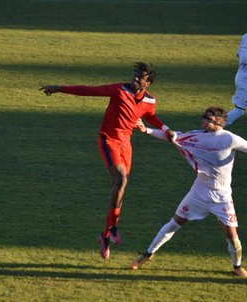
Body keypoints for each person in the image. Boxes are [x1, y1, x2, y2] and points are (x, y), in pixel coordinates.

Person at [40, 62, 175, 260]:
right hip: (108, 140)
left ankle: (104, 235)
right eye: (135, 75)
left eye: (140, 77)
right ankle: (113, 227)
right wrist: (60, 89)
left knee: (119, 186)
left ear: (148, 83)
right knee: (121, 179)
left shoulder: (150, 100)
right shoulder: (119, 90)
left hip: (125, 144)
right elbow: (89, 91)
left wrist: (165, 129)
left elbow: (151, 116)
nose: (135, 78)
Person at [131, 107, 247, 277]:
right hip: (198, 192)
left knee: (231, 235)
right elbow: (173, 136)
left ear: (216, 121)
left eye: (205, 118)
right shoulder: (196, 136)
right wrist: (146, 130)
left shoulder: (229, 138)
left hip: (222, 197)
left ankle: (237, 266)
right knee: (174, 223)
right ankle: (147, 254)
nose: (202, 119)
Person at [226, 33, 247, 126]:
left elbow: (238, 54)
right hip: (245, 80)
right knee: (239, 110)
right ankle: (210, 132)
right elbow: (243, 58)